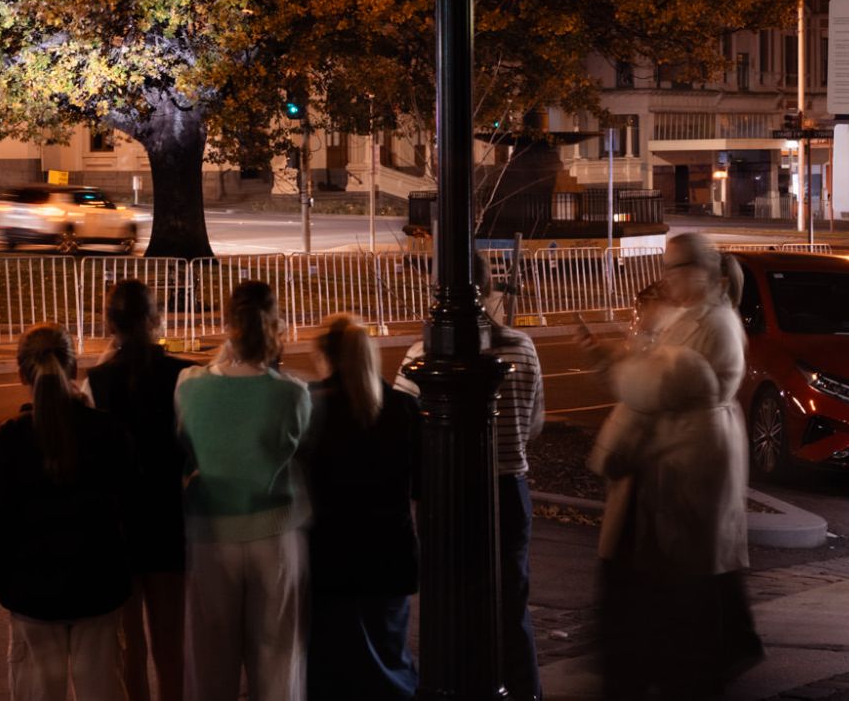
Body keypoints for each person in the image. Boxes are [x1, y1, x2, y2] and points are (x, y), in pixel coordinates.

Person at [578, 233, 761, 698]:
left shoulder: (715, 323)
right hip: (665, 461)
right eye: (667, 267)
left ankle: (685, 665)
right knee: (660, 569)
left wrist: (627, 358)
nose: (667, 278)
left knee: (683, 575)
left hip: (685, 463)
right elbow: (646, 377)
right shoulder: (687, 318)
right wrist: (617, 356)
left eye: (677, 268)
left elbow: (655, 382)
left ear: (705, 274)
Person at [393, 256, 545, 701]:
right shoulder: (522, 347)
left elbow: (404, 423)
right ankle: (523, 689)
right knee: (511, 602)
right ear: (491, 290)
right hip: (509, 484)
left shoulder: (422, 356)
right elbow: (534, 421)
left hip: (448, 492)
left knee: (449, 601)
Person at [0, 323, 137, 701]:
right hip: (98, 586)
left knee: (38, 690)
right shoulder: (107, 432)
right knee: (102, 687)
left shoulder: (8, 437)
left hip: (31, 591)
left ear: (20, 374)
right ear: (74, 369)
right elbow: (128, 507)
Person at [175, 280, 313, 701]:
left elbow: (186, 448)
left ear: (226, 324)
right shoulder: (291, 392)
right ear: (276, 327)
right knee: (276, 660)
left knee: (210, 661)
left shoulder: (189, 385)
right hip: (274, 534)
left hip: (211, 532)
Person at [85, 280, 194, 701]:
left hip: (120, 526)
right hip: (168, 520)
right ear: (156, 319)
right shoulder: (183, 375)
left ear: (109, 322)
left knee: (129, 646)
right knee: (171, 644)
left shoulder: (98, 382)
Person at [301, 313, 418, 701]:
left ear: (323, 355)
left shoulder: (311, 407)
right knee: (387, 656)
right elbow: (419, 481)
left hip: (328, 554)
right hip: (388, 552)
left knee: (331, 666)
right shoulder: (403, 409)